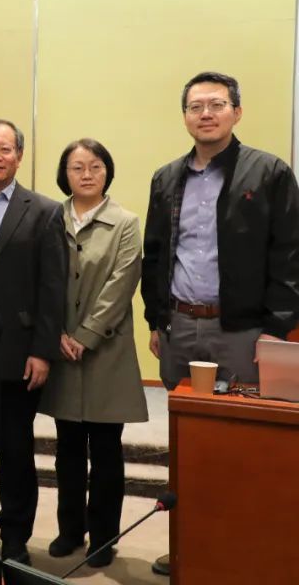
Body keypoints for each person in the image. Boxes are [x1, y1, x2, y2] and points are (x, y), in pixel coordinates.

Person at [141, 71, 299, 576]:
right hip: (180, 326)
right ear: (185, 116)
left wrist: (275, 330)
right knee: (187, 444)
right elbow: (155, 253)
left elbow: (289, 255)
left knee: (242, 442)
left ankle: (243, 551)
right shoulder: (167, 177)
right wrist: (156, 318)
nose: (205, 114)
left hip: (243, 332)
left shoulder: (269, 172)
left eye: (216, 104)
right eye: (196, 106)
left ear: (237, 111)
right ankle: (188, 547)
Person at [0, 118, 66, 565]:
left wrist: (42, 350)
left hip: (18, 352)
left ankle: (16, 537)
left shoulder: (43, 210)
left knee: (16, 452)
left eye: (4, 149)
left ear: (19, 156)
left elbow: (53, 288)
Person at [39, 139, 148, 568]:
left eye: (96, 166)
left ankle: (104, 537)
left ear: (108, 171)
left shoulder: (125, 222)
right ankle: (70, 530)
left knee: (105, 449)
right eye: (77, 167)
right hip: (61, 348)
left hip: (106, 351)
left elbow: (122, 284)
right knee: (67, 447)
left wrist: (85, 335)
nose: (87, 174)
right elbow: (41, 279)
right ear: (64, 174)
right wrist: (56, 333)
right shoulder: (50, 218)